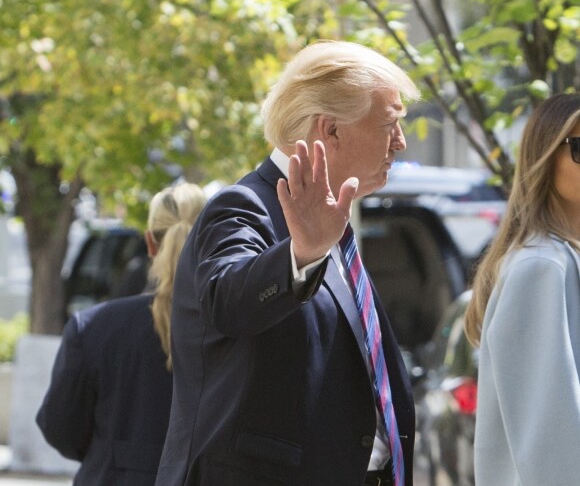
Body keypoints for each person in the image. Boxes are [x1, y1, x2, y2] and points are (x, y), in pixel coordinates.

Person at [156, 40, 420, 486]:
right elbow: (229, 302)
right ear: (330, 130)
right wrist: (302, 253)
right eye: (390, 123)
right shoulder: (244, 206)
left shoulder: (329, 224)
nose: (401, 141)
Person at [36, 182, 207, 486]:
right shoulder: (241, 329)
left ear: (150, 244)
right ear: (211, 240)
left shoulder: (93, 327)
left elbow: (60, 428)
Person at [464, 93, 580, 485]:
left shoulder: (558, 258)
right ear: (544, 158)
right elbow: (552, 440)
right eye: (579, 148)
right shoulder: (541, 267)